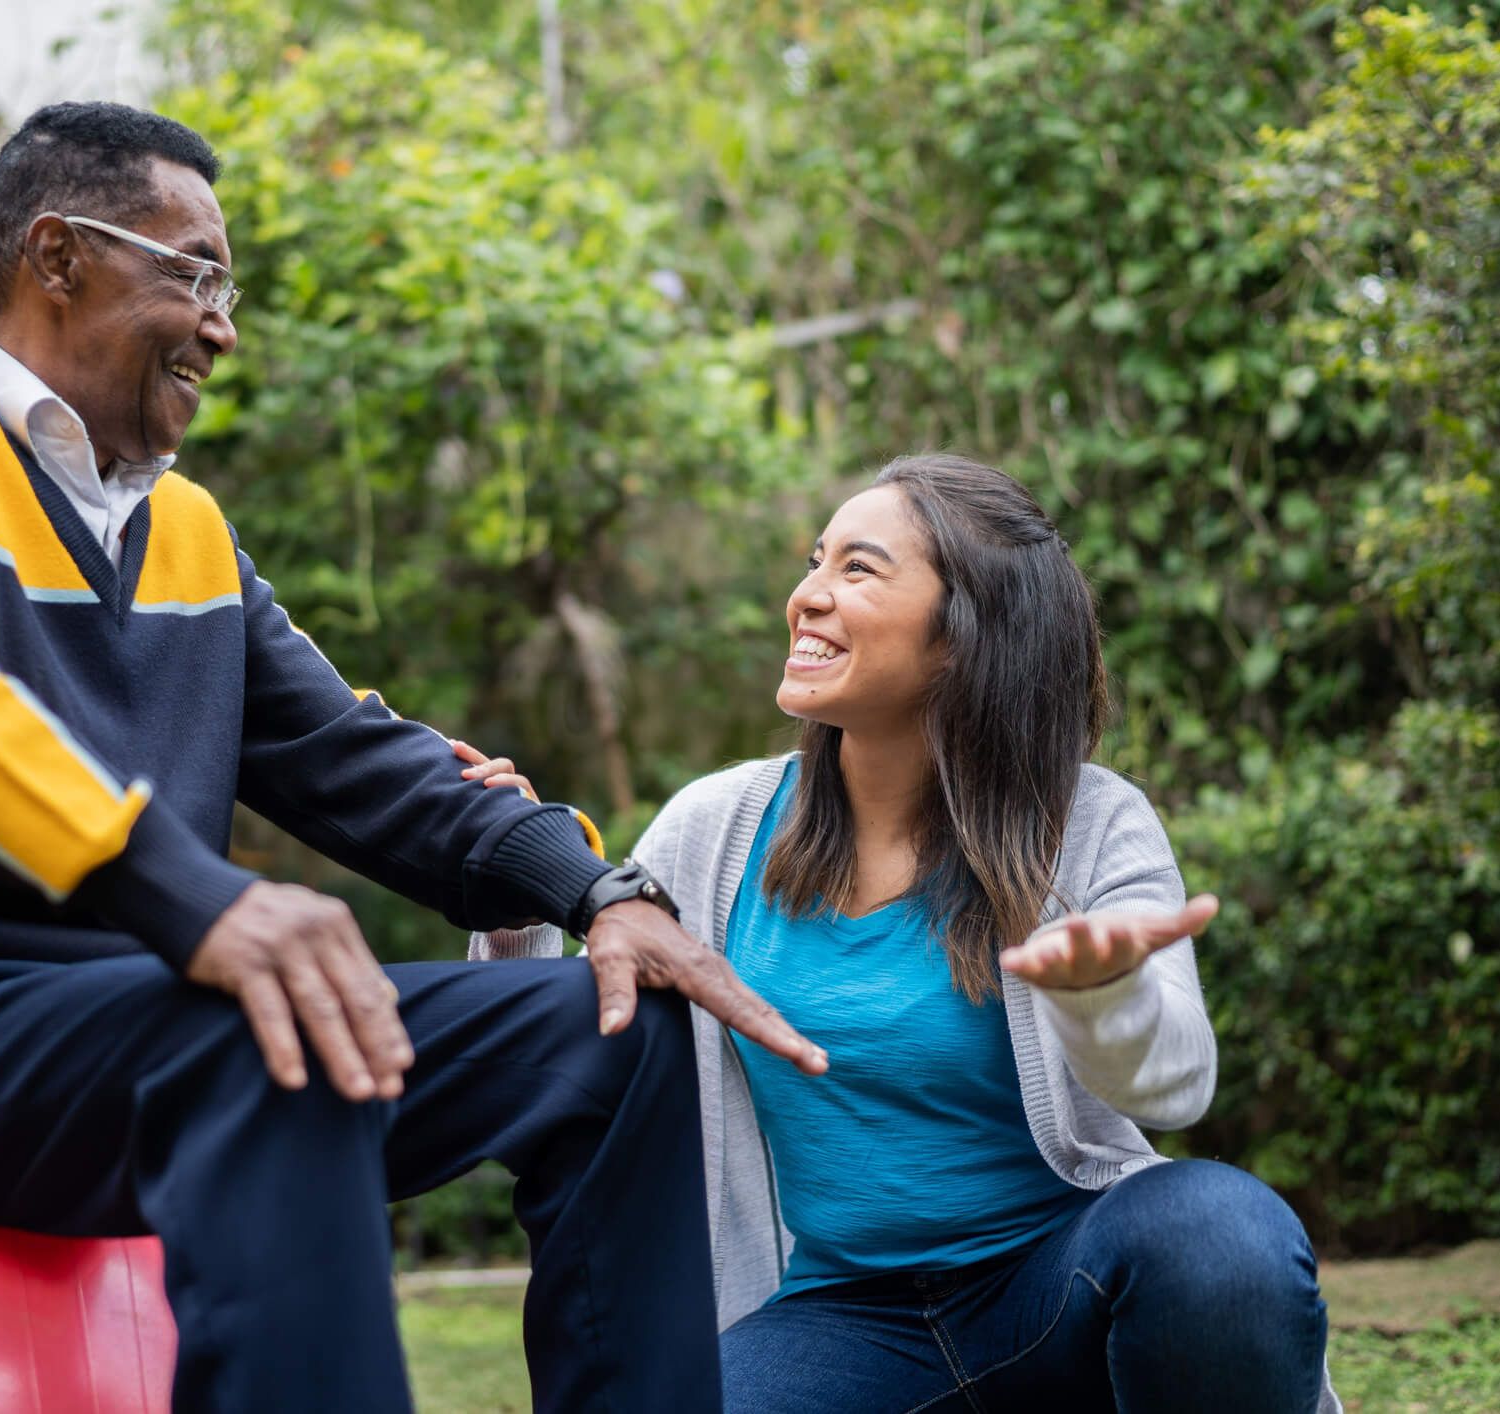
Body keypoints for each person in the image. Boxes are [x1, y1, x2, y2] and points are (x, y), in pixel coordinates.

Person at [0, 101, 822, 1413]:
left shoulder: (187, 531)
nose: (223, 323)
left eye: (226, 283)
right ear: (57, 256)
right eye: (192, 270)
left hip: (182, 1037)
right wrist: (191, 897)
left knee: (611, 1028)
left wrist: (601, 893)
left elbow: (358, 757)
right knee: (276, 1014)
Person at [460, 453, 1338, 1412]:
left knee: (1216, 1233)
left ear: (962, 637)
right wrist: (519, 903)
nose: (806, 597)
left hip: (1063, 1285)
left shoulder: (1086, 820)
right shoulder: (712, 830)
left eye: (857, 569)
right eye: (813, 561)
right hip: (842, 1321)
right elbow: (589, 1059)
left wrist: (1104, 995)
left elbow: (1173, 1087)